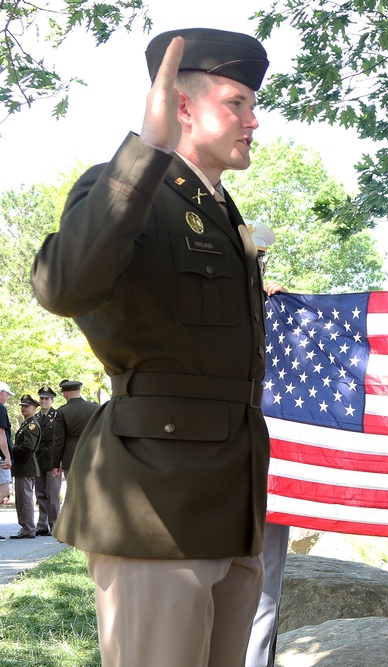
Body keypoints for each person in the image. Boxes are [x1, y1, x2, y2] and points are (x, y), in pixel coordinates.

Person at [31, 27, 271, 667]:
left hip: (231, 496)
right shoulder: (131, 187)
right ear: (183, 106)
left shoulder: (222, 211)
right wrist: (146, 150)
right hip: (156, 501)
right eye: (237, 102)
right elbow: (63, 285)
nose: (254, 120)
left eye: (255, 103)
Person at [245, 221, 291, 667]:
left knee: (264, 585)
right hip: (218, 461)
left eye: (260, 259)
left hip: (276, 467)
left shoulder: (281, 314)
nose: (258, 266)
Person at [50, 379, 99, 479]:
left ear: (66, 394)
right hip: (93, 455)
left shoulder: (62, 411)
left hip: (71, 457)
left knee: (74, 491)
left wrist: (55, 464)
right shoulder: (95, 408)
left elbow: (59, 440)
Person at [33, 385, 64, 536]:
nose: (43, 401)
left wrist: (59, 462)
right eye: (41, 398)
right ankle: (42, 525)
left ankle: (56, 525)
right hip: (38, 461)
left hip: (52, 461)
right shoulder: (36, 418)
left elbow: (60, 440)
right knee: (40, 494)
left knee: (53, 495)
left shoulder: (57, 416)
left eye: (46, 398)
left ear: (52, 400)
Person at [10, 394, 42, 539]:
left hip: (26, 466)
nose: (23, 408)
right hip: (22, 467)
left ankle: (29, 528)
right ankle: (26, 527)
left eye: (26, 406)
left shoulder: (32, 425)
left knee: (25, 499)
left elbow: (28, 447)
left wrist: (11, 449)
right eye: (22, 406)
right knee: (21, 499)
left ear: (34, 408)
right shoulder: (26, 424)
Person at [0, 382, 14, 515]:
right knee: (4, 490)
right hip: (0, 457)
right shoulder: (0, 408)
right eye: (7, 395)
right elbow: (1, 433)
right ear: (2, 393)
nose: (7, 397)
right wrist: (7, 456)